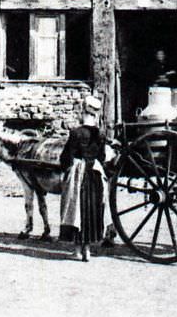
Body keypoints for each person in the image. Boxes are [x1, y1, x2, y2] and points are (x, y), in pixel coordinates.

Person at [59, 95, 108, 262]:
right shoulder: (100, 134)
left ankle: (78, 250)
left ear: (84, 112)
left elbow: (67, 156)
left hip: (79, 173)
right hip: (95, 173)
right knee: (91, 210)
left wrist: (64, 167)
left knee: (76, 208)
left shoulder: (76, 133)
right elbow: (102, 156)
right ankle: (88, 250)